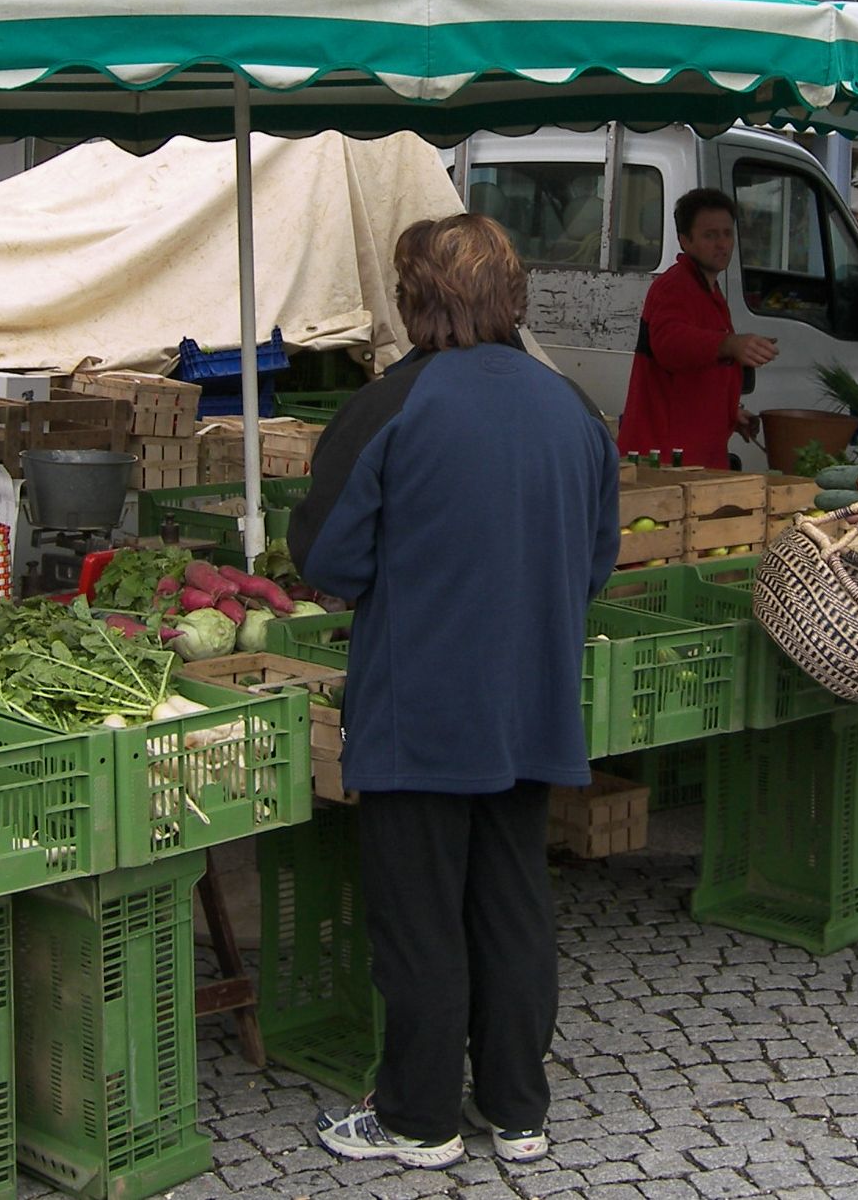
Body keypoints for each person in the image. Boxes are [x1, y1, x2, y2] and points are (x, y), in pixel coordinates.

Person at [293, 213, 619, 1170]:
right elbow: (596, 563)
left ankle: (418, 1118)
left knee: (420, 918)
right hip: (533, 698)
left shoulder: (389, 405)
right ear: (512, 295)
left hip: (421, 704)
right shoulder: (573, 409)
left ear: (414, 300)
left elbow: (328, 557)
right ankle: (518, 1110)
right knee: (514, 904)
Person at [616, 187, 775, 468]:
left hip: (695, 457)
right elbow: (670, 344)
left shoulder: (709, 291)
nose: (722, 244)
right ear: (684, 241)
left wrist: (731, 413)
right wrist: (729, 344)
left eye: (727, 234)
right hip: (664, 462)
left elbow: (697, 373)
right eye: (710, 235)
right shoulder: (674, 287)